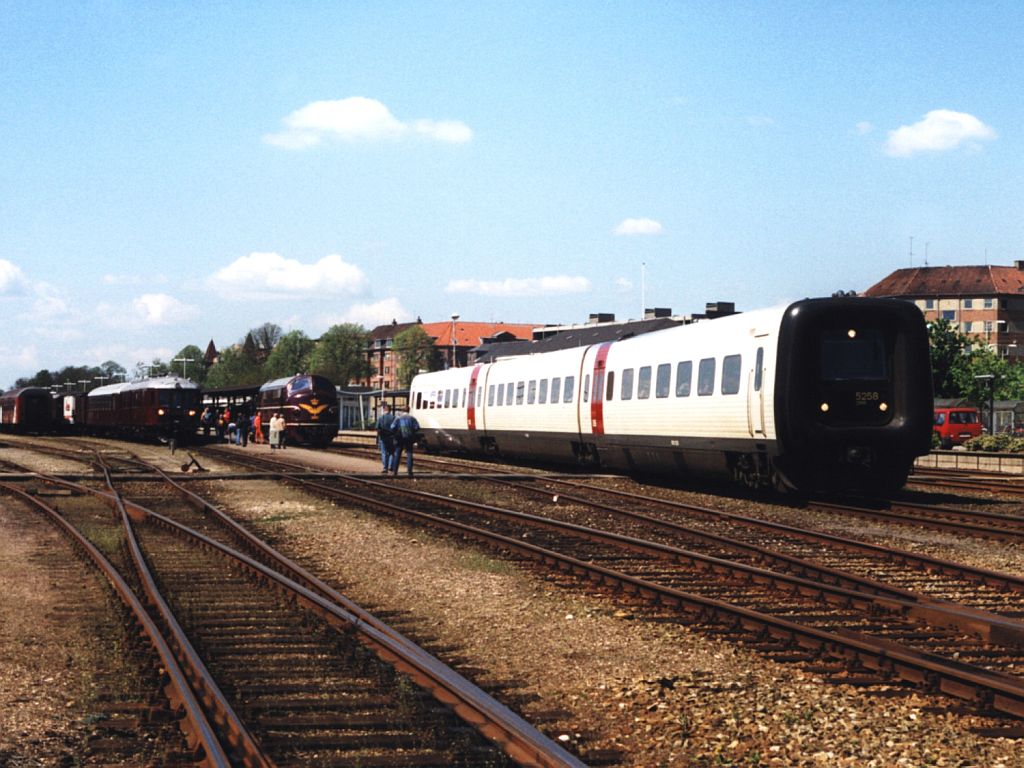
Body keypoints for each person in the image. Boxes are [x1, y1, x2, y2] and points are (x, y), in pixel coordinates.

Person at [390, 409, 420, 477]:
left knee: (397, 454)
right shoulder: (412, 418)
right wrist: (411, 431)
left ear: (402, 411)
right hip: (409, 438)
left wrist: (396, 431)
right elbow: (417, 427)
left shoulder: (398, 418)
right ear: (409, 410)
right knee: (409, 453)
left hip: (400, 438)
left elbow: (392, 427)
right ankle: (409, 471)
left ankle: (395, 471)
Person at [375, 403, 396, 474]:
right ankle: (390, 466)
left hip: (383, 438)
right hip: (391, 438)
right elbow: (396, 428)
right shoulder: (394, 418)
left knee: (384, 452)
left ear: (384, 409)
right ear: (390, 410)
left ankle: (385, 467)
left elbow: (377, 427)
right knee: (391, 452)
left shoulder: (381, 418)